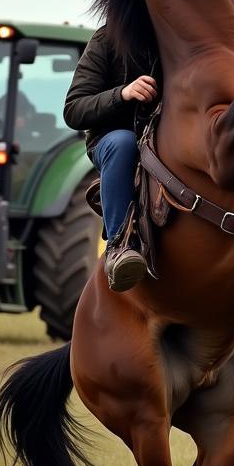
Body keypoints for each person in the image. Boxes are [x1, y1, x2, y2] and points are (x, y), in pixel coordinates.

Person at [64, 26, 159, 291]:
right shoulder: (106, 39)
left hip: (164, 139)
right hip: (112, 140)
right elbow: (74, 109)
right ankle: (120, 245)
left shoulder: (177, 37)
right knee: (123, 142)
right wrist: (123, 94)